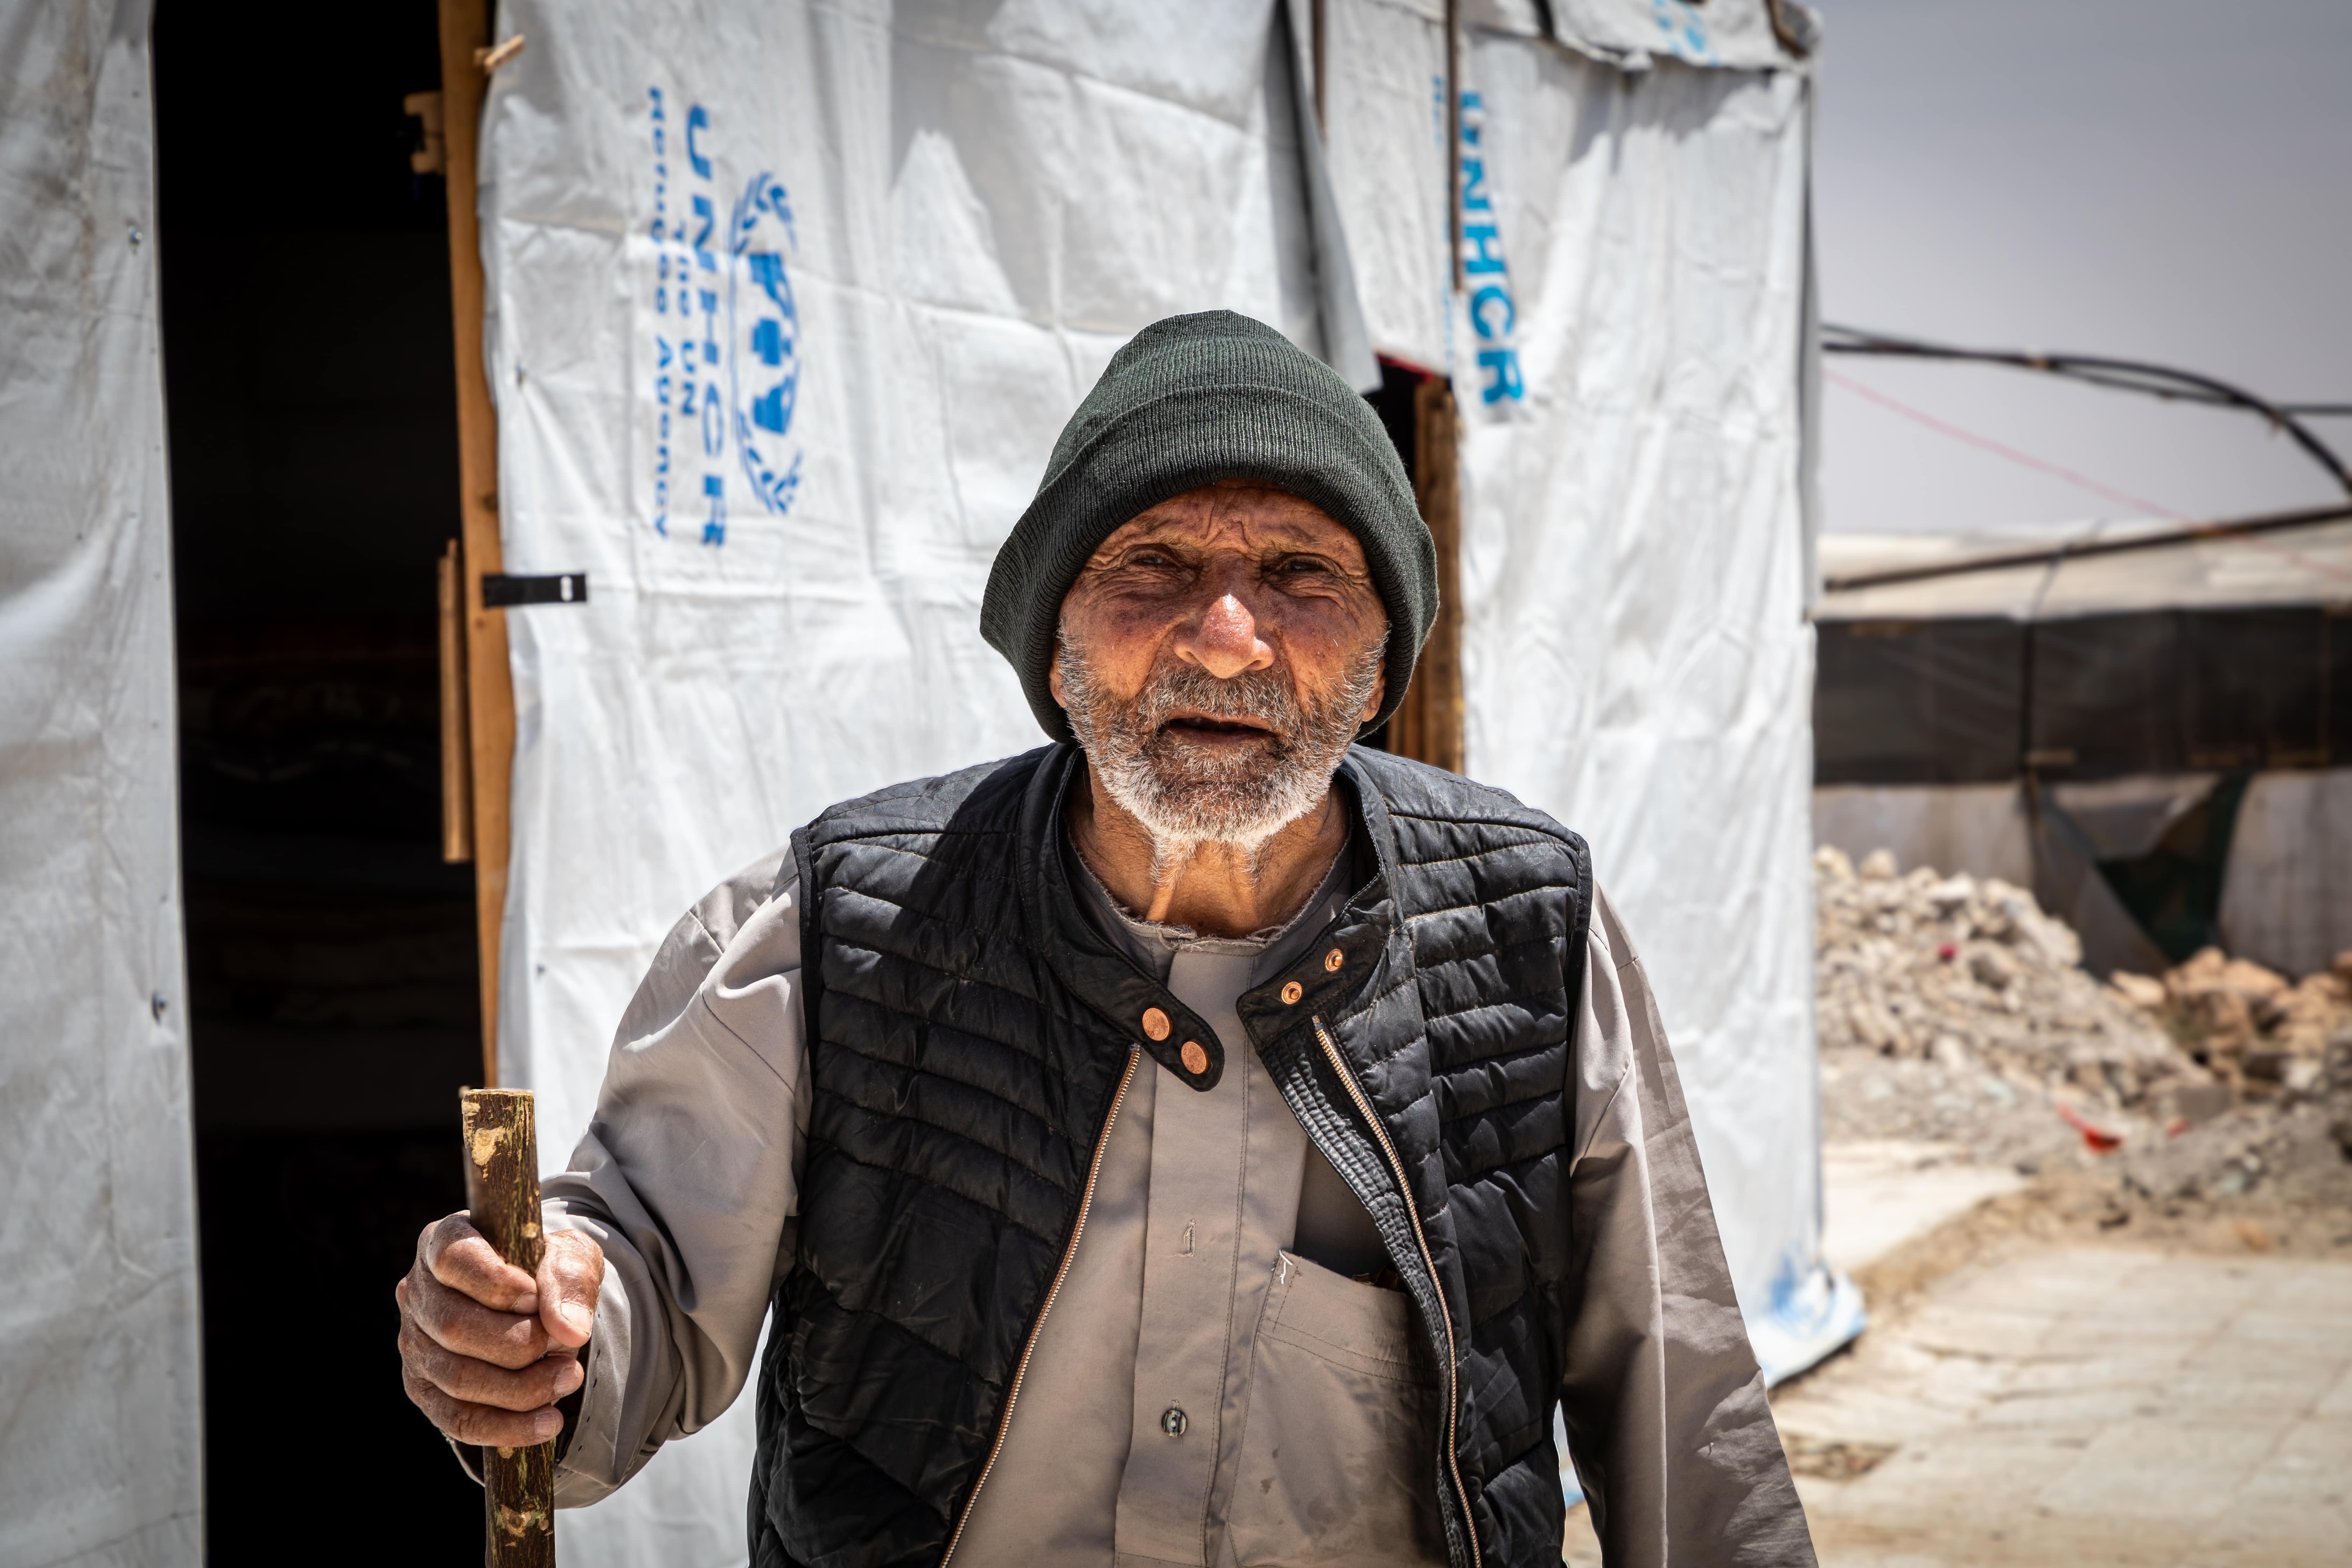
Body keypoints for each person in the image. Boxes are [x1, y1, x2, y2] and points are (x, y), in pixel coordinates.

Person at [395, 311, 1814, 1567]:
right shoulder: (840, 921)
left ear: (1383, 655)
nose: (1228, 636)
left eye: (1300, 573)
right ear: (1055, 643)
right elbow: (637, 1270)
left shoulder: (1527, 924)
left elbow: (1679, 1400)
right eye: (1154, 564)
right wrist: (548, 1336)